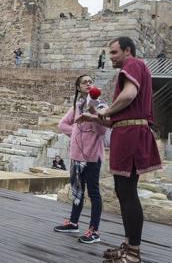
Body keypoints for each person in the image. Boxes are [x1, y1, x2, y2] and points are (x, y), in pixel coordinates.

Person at [96, 37, 162, 263]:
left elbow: (129, 95)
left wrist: (106, 112)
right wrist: (94, 116)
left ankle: (133, 253)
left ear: (127, 50)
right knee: (123, 192)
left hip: (131, 135)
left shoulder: (133, 64)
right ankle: (128, 246)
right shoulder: (133, 67)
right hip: (127, 133)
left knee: (128, 193)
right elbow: (121, 115)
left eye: (114, 52)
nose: (111, 56)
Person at [54, 75, 108, 244]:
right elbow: (62, 124)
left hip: (92, 156)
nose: (88, 83)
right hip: (76, 155)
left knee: (93, 193)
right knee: (77, 191)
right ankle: (73, 223)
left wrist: (93, 112)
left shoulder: (102, 105)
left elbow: (102, 131)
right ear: (78, 87)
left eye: (90, 81)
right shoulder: (77, 106)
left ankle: (94, 231)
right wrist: (77, 134)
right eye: (84, 82)